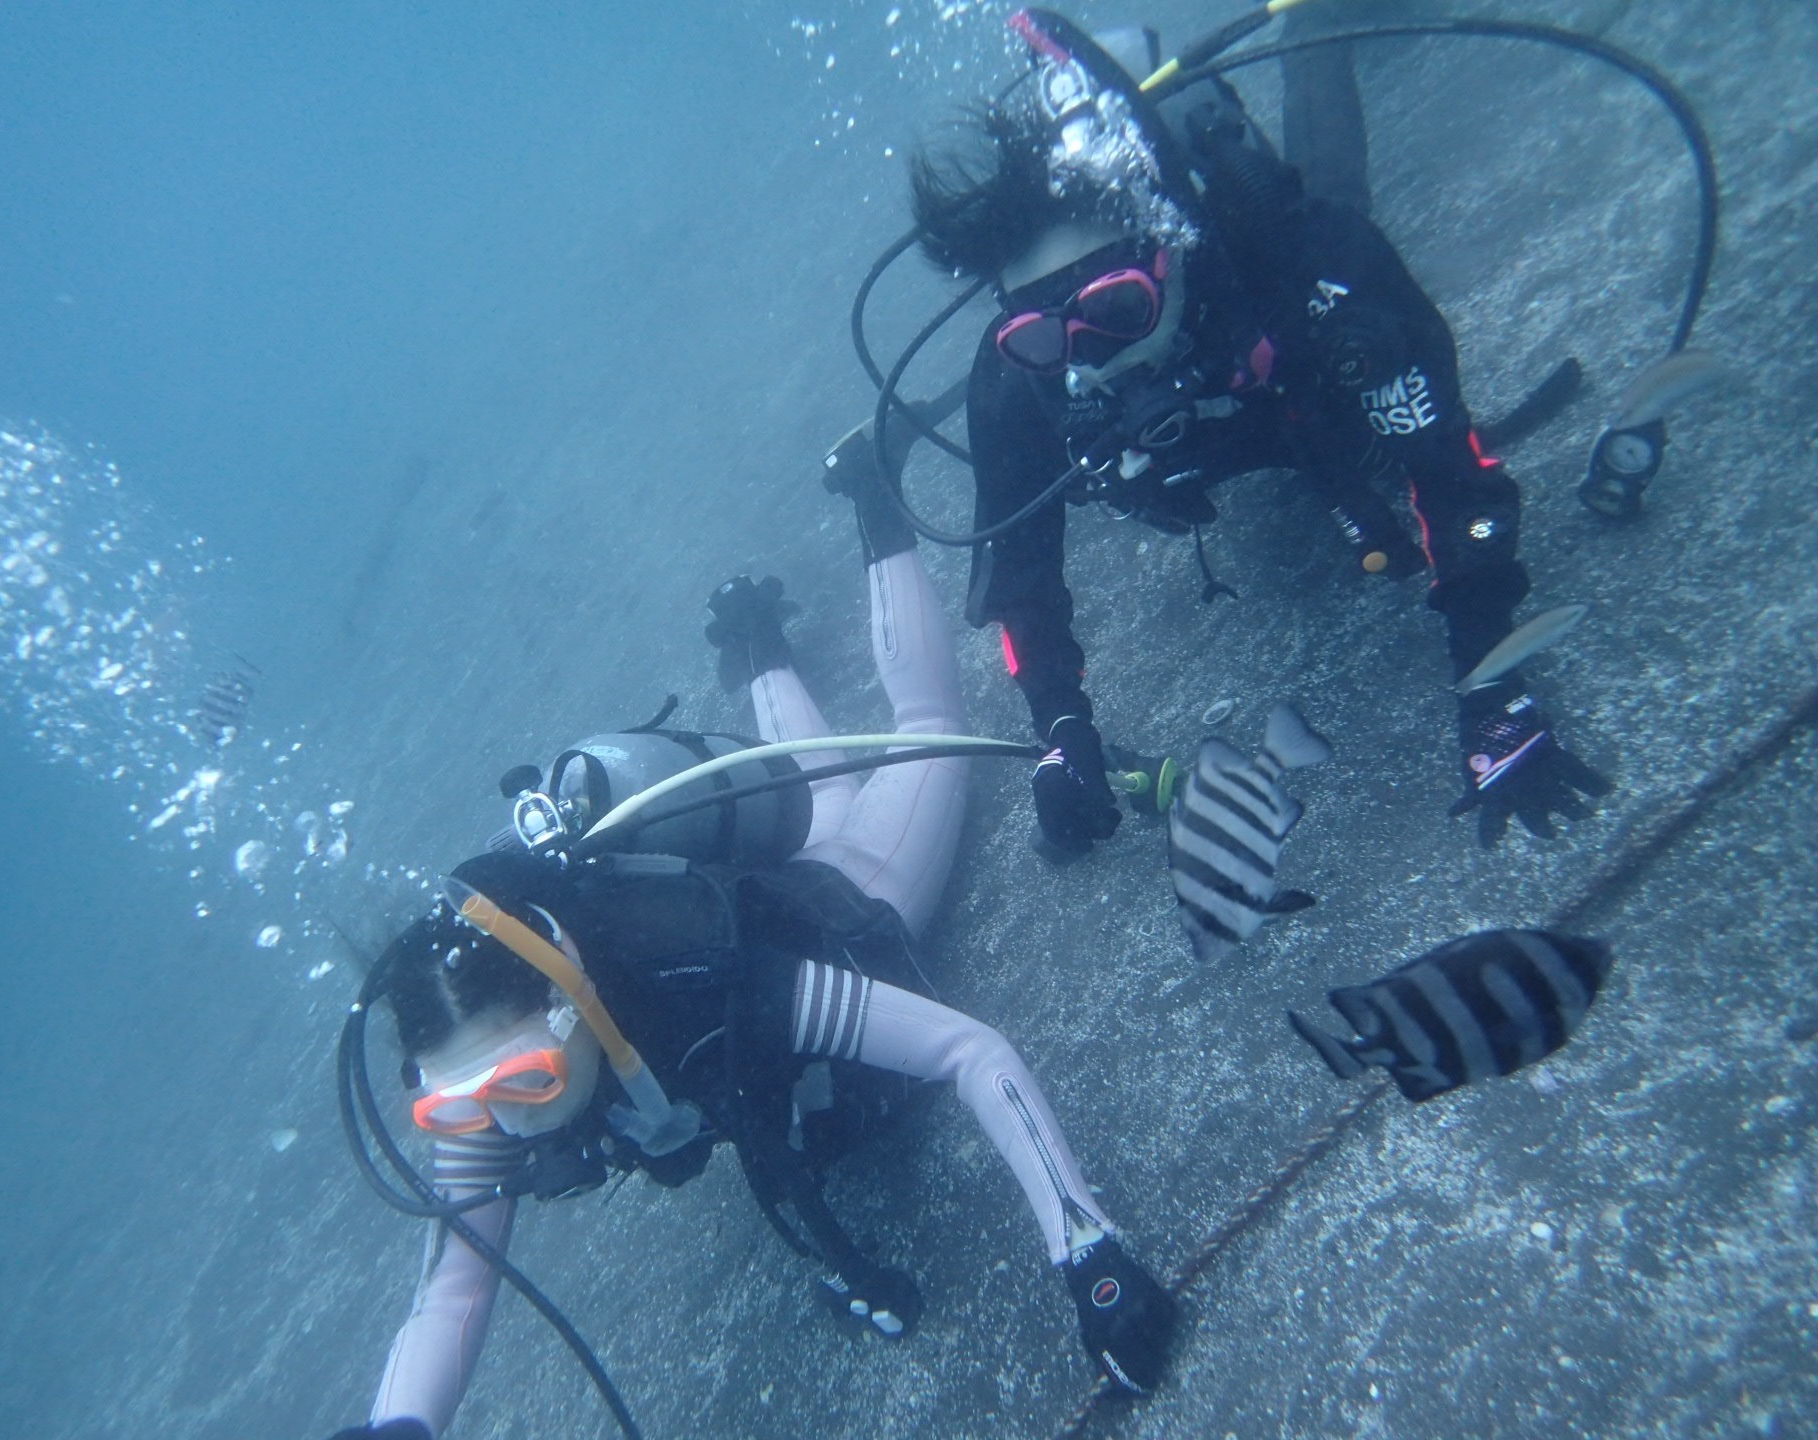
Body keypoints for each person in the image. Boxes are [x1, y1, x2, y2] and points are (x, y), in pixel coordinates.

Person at [325, 497, 1177, 1440]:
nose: (507, 1118)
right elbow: (453, 1291)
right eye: (458, 1106)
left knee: (924, 726)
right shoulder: (483, 1073)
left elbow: (970, 1051)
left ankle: (875, 498)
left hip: (846, 894)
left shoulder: (701, 986)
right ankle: (759, 639)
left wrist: (1090, 1255)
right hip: (760, 884)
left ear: (574, 996)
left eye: (530, 1079)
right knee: (826, 789)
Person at [903, 9, 1610, 856]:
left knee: (1333, 184)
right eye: (1045, 338)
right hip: (1232, 423)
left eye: (1119, 308)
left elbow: (1453, 476)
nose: (1091, 359)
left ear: (1171, 252)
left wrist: (1491, 676)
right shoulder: (1016, 379)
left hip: (1301, 386)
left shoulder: (1305, 262)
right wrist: (1063, 732)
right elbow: (1020, 579)